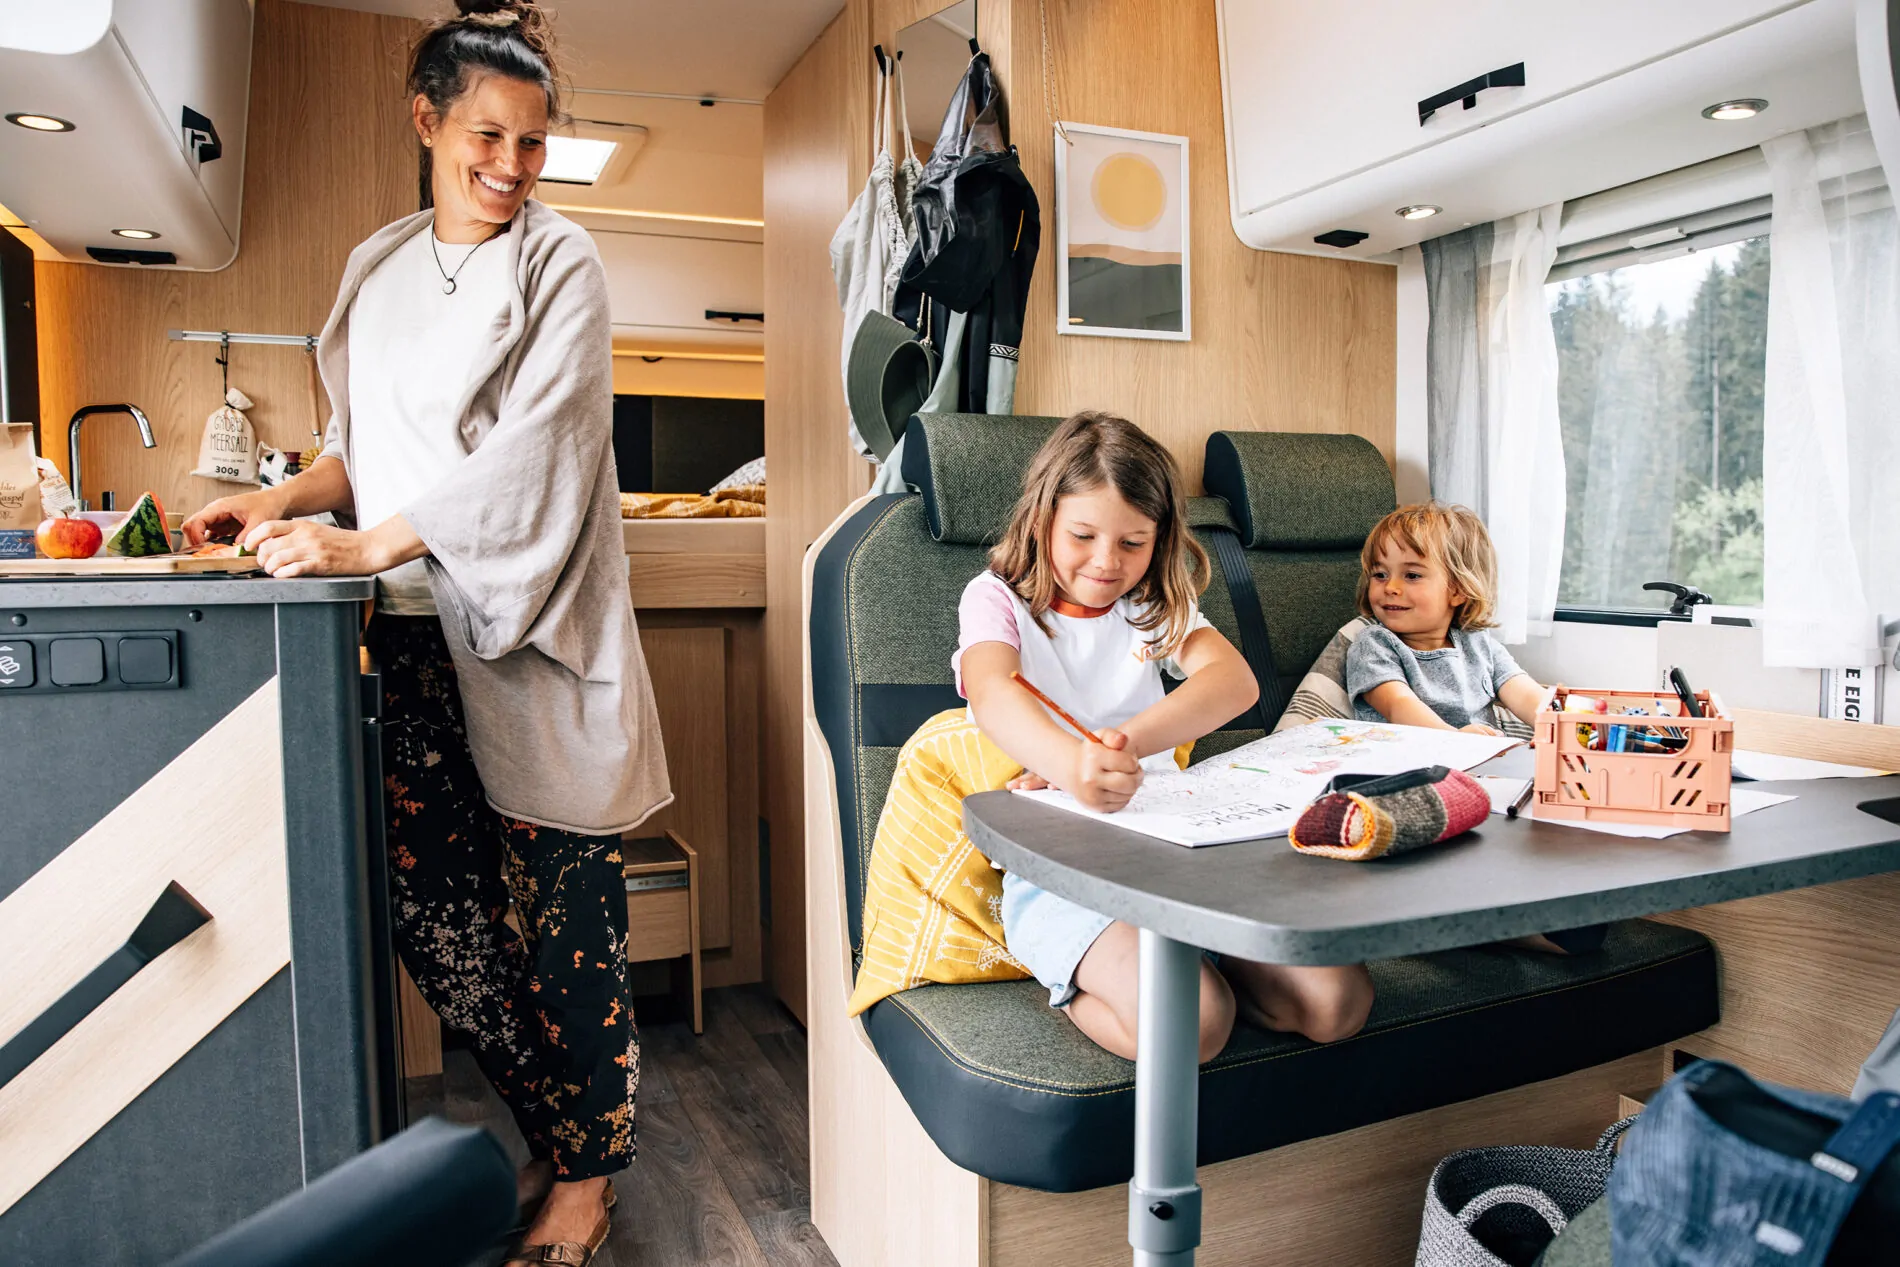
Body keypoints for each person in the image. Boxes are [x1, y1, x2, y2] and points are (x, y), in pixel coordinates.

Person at [182, 2, 666, 1261]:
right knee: (439, 925)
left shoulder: (562, 263)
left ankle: (588, 1180)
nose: (511, 167)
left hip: (537, 637)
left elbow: (544, 449)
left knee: (569, 916)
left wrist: (372, 542)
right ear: (427, 121)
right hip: (410, 638)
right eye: (484, 139)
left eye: (532, 142)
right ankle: (561, 1131)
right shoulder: (377, 267)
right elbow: (368, 449)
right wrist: (285, 499)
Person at [955, 412, 1374, 1059]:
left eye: (1132, 542)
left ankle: (1205, 961)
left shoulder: (1147, 604)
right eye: (1084, 535)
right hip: (1066, 870)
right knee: (1193, 1024)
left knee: (1337, 1003)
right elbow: (991, 690)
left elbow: (1234, 682)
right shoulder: (996, 599)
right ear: (1042, 521)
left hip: (1181, 849)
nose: (1105, 561)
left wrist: (1120, 740)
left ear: (1160, 538)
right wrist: (1073, 766)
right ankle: (1079, 983)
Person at [1346, 502, 1546, 735]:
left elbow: (1524, 693)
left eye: (1411, 575)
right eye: (1380, 574)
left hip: (1479, 759)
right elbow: (1397, 705)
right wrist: (1456, 739)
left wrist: (1557, 723)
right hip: (1412, 764)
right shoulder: (1374, 645)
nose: (1391, 587)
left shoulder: (1477, 641)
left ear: (1458, 591)